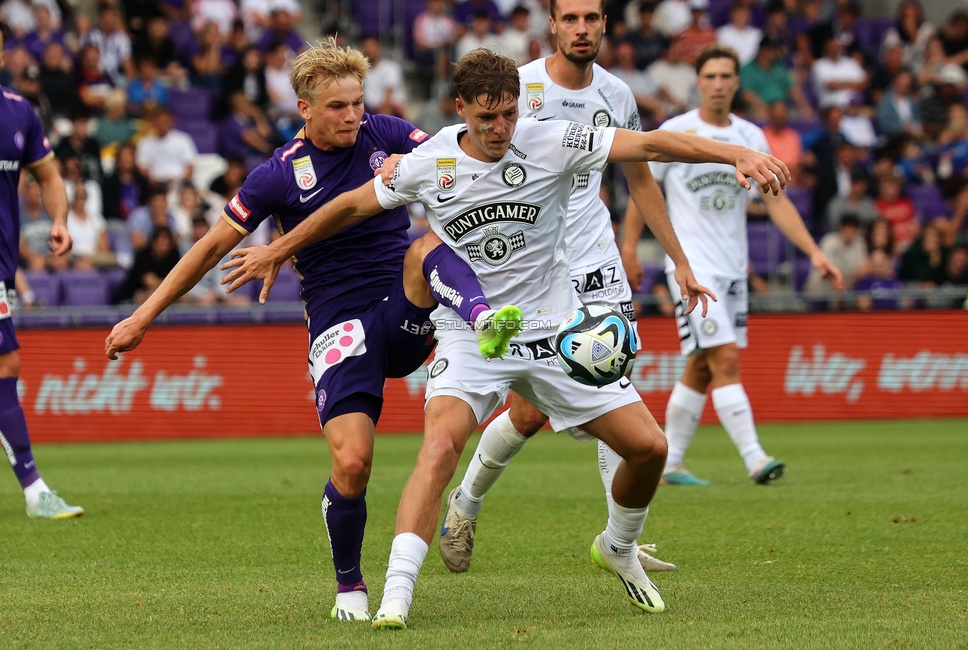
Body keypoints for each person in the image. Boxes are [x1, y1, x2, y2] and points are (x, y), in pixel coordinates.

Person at [219, 48, 791, 629]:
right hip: (472, 334)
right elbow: (347, 206)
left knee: (651, 449)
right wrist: (278, 249)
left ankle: (617, 545)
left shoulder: (550, 138)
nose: (500, 129)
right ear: (460, 108)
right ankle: (395, 595)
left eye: (510, 114)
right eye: (487, 117)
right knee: (440, 448)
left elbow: (649, 146)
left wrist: (736, 151)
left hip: (553, 330)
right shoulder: (429, 159)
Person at [104, 37, 518, 624]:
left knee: (426, 245)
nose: (353, 116)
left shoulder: (390, 133)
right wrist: (143, 316)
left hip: (403, 304)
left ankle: (485, 322)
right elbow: (208, 247)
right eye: (337, 107)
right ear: (305, 108)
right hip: (338, 323)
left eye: (357, 103)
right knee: (352, 463)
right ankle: (349, 584)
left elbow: (464, 156)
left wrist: (428, 162)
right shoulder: (277, 175)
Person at [437, 0, 712, 578]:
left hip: (598, 265)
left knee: (614, 388)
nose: (582, 28)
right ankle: (466, 502)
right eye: (571, 18)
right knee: (529, 413)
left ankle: (622, 541)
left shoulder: (617, 95)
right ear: (553, 24)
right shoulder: (520, 90)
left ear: (606, 24)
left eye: (592, 18)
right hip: (530, 271)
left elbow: (639, 174)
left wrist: (677, 259)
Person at [622, 45, 844, 487]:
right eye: (711, 77)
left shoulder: (752, 137)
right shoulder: (677, 130)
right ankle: (755, 458)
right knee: (724, 359)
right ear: (698, 83)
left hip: (732, 269)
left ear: (737, 83)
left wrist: (813, 252)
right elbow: (642, 187)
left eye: (726, 76)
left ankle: (672, 462)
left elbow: (776, 204)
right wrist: (629, 248)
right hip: (691, 268)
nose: (719, 84)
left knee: (702, 367)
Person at [0, 19, 83, 518]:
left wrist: (59, 219)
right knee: (5, 364)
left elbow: (49, 175)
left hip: (3, 268)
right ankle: (34, 490)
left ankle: (34, 490)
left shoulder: (17, 111)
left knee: (5, 365)